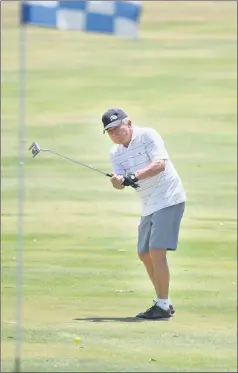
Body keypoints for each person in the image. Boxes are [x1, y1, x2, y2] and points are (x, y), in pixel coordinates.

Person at [102, 108, 186, 320]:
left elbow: (159, 165)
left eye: (117, 128)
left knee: (156, 251)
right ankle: (163, 302)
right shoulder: (116, 153)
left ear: (128, 123)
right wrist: (117, 182)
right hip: (149, 203)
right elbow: (121, 184)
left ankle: (163, 305)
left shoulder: (148, 135)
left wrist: (133, 176)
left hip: (169, 197)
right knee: (144, 253)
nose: (115, 134)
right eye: (110, 131)